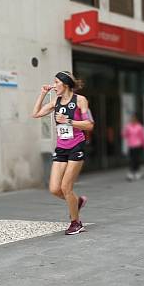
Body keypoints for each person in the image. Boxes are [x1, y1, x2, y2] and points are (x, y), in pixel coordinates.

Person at [32, 71, 94, 235]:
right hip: (61, 148)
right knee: (54, 189)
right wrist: (42, 94)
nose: (53, 86)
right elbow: (35, 114)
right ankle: (77, 201)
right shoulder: (55, 102)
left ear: (65, 84)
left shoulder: (80, 100)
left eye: (56, 82)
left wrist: (68, 121)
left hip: (76, 147)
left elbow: (89, 124)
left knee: (66, 187)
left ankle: (76, 223)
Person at [122, 113, 144, 181]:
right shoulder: (128, 126)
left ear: (136, 119)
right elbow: (124, 135)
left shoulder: (140, 127)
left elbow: (143, 137)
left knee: (136, 160)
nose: (133, 119)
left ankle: (137, 172)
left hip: (138, 145)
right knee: (131, 159)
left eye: (134, 118)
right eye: (132, 118)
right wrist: (125, 130)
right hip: (131, 145)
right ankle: (131, 173)